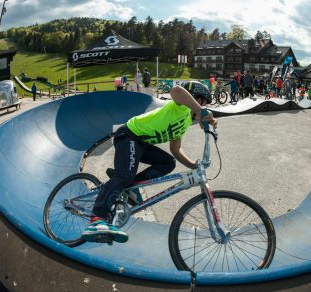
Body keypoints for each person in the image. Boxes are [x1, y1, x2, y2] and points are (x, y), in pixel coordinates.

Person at [82, 81, 218, 243]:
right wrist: (199, 110)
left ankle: (130, 186)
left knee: (168, 162)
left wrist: (194, 165)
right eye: (204, 102)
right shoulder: (180, 106)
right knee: (124, 175)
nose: (205, 107)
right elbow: (176, 90)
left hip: (142, 144)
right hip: (129, 135)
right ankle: (96, 219)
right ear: (197, 98)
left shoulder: (185, 122)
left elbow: (175, 149)